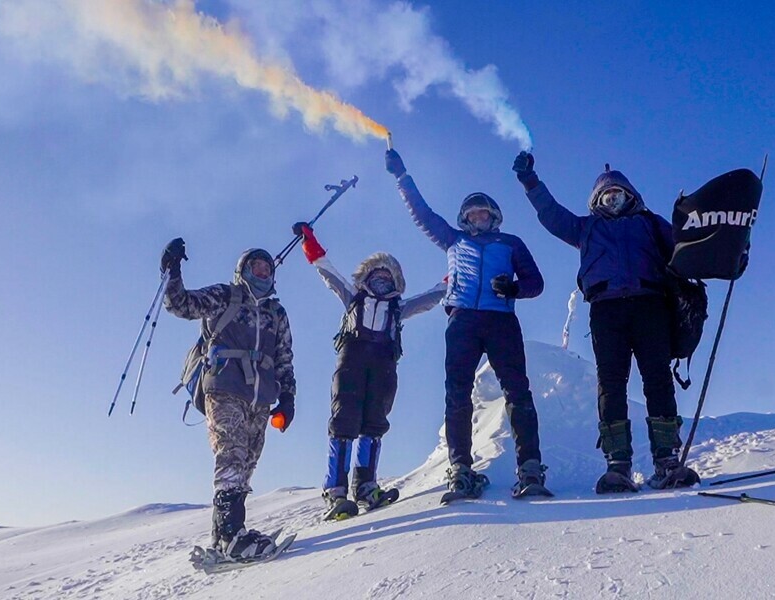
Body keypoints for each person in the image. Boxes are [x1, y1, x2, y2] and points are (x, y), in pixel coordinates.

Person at [511, 151, 700, 493]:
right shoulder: (586, 228)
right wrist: (530, 182)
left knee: (657, 378)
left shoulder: (650, 222)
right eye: (606, 195)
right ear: (596, 201)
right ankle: (618, 464)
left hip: (650, 304)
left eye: (619, 193)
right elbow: (552, 215)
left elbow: (685, 246)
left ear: (631, 195)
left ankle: (666, 459)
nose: (613, 199)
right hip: (606, 309)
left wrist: (726, 251)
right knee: (611, 384)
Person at [385, 148, 551, 500]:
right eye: (472, 214)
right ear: (464, 219)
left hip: (502, 321)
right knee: (456, 393)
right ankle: (460, 469)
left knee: (517, 391)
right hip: (462, 321)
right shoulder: (453, 240)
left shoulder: (511, 243)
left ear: (494, 217)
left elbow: (536, 284)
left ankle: (531, 468)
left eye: (484, 214)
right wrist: (402, 177)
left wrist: (515, 288)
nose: (478, 218)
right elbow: (422, 214)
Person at [291, 222, 446, 519]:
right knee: (344, 421)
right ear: (367, 277)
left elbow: (433, 296)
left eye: (388, 277)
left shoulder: (398, 308)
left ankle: (365, 486)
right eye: (378, 275)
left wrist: (456, 272)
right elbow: (327, 270)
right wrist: (308, 240)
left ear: (396, 281)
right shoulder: (354, 297)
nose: (382, 281)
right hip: (352, 362)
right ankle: (335, 492)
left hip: (384, 368)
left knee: (374, 423)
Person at [161, 238, 296, 557]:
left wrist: (288, 398)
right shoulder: (226, 295)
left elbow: (284, 358)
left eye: (267, 267)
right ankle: (233, 534)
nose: (263, 271)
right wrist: (171, 270)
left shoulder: (277, 312)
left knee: (248, 460)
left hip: (261, 398)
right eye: (256, 266)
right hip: (224, 385)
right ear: (243, 270)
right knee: (230, 452)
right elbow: (181, 305)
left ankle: (224, 534)